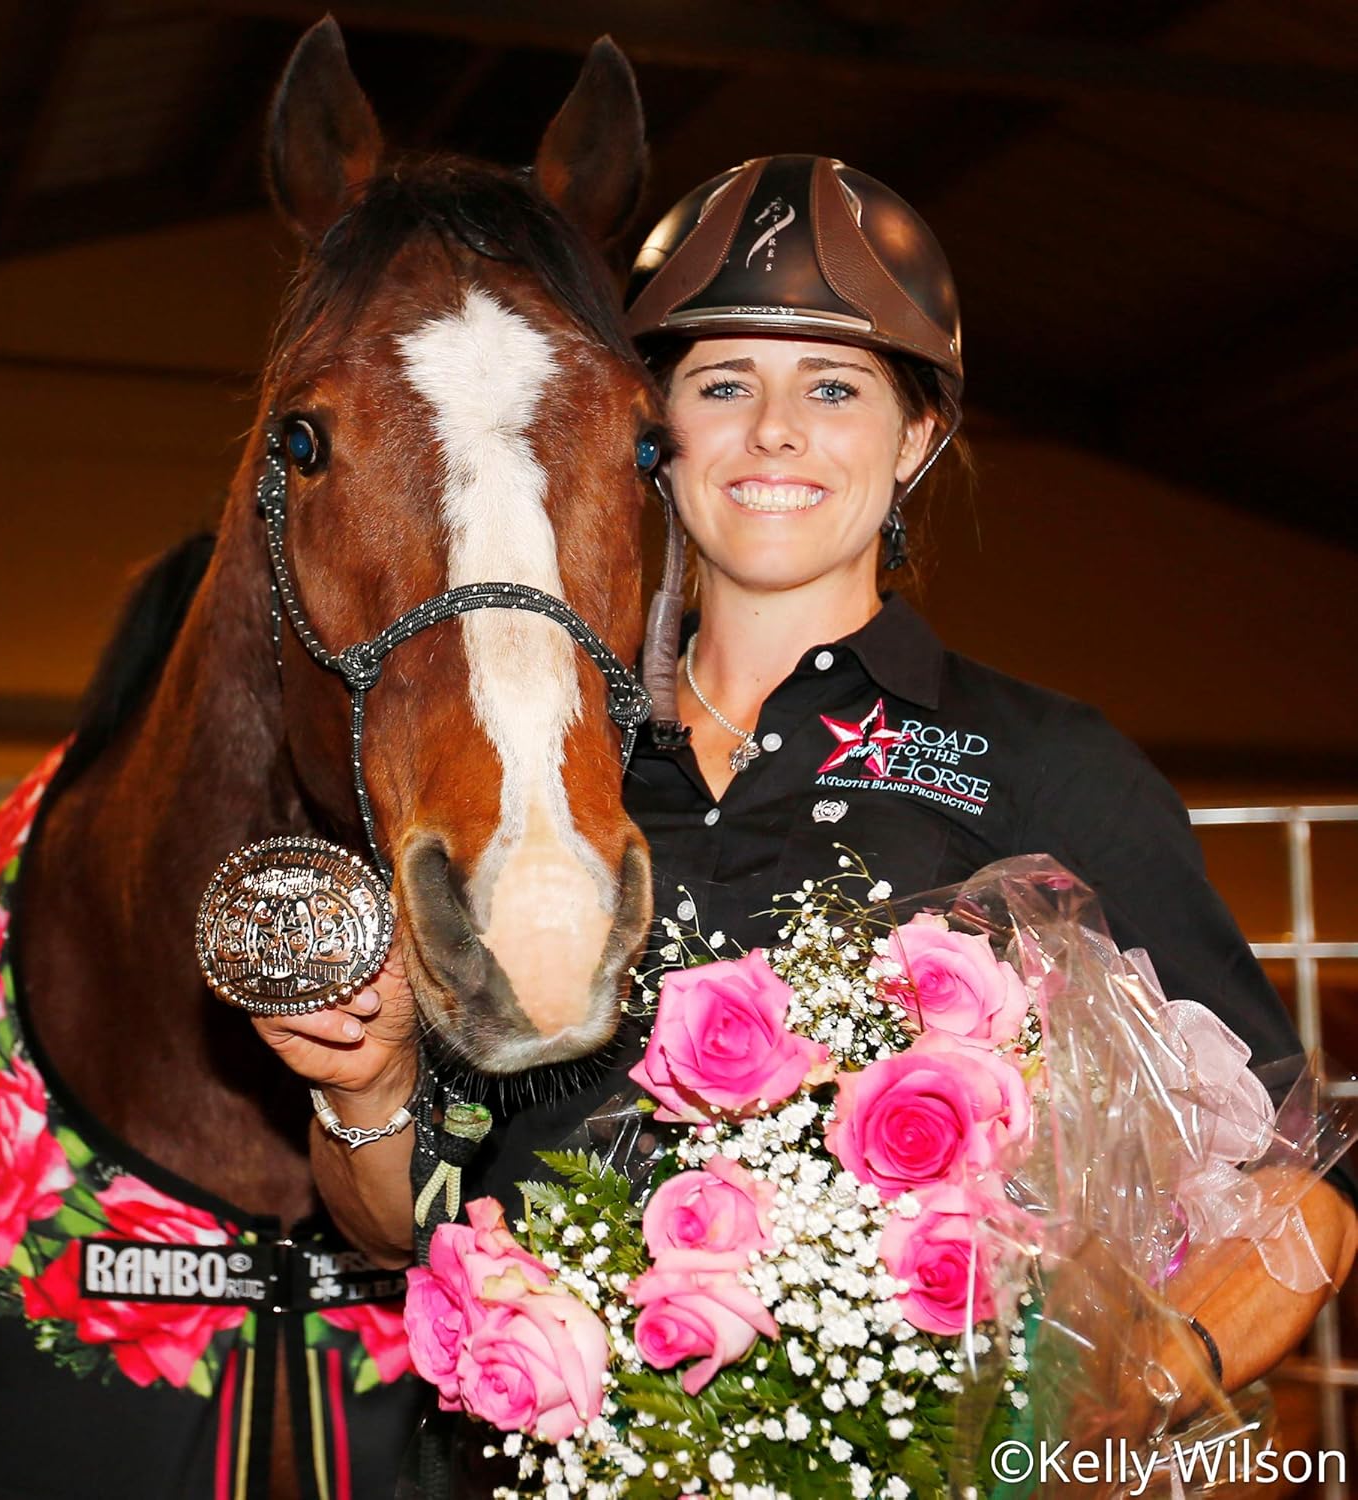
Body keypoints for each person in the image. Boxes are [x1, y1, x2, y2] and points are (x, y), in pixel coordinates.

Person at [256, 153, 1355, 1421]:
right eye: (724, 386)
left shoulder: (1050, 764)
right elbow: (409, 1227)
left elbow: (1298, 1191)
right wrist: (367, 1091)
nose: (775, 431)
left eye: (834, 387)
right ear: (654, 438)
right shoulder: (551, 791)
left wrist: (1111, 1400)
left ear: (918, 440)